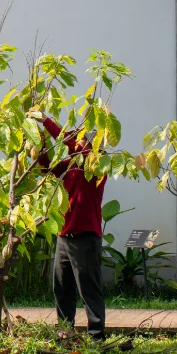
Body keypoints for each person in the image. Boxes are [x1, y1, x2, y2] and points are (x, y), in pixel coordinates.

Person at [37, 116, 107, 341]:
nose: (78, 142)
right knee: (62, 288)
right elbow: (47, 168)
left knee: (89, 290)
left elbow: (70, 145)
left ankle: (96, 336)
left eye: (82, 139)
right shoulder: (72, 166)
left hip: (86, 237)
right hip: (64, 236)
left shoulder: (96, 165)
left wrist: (45, 120)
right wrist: (40, 143)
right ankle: (65, 332)